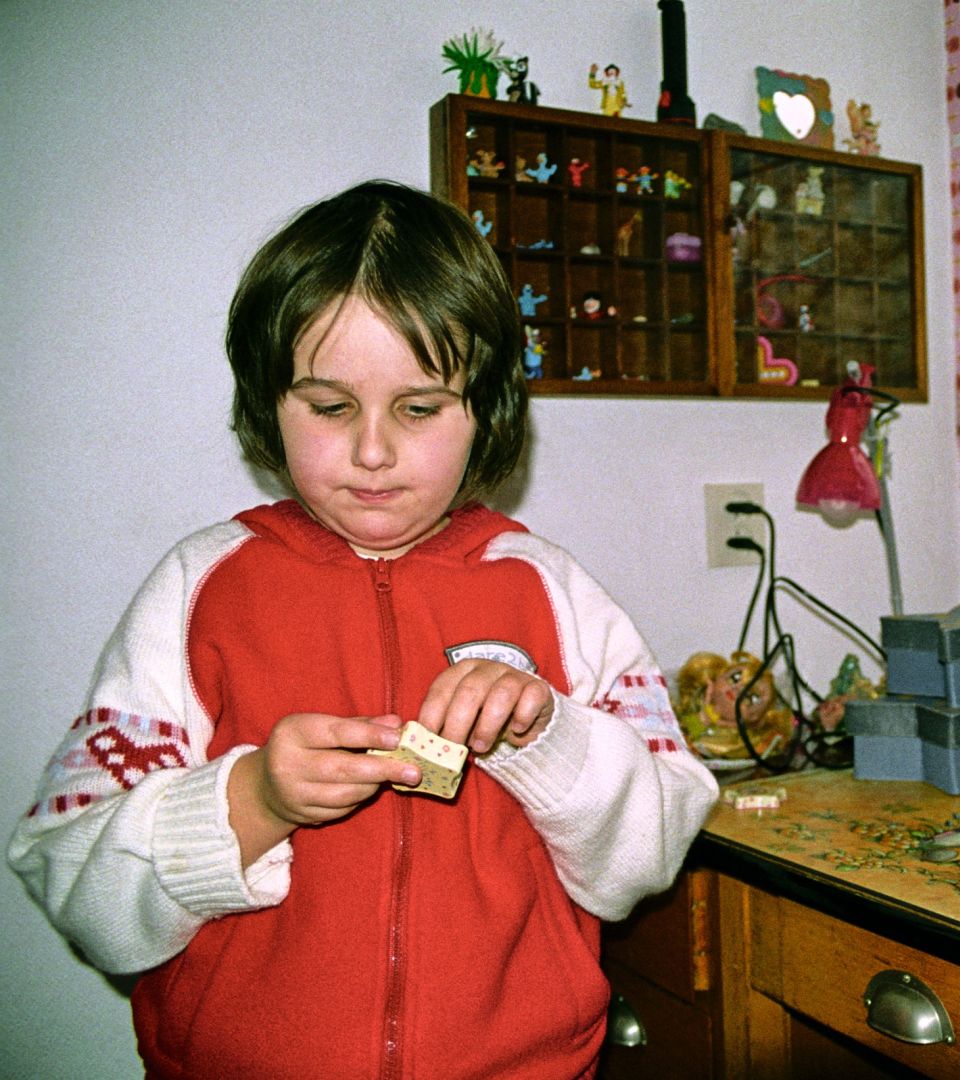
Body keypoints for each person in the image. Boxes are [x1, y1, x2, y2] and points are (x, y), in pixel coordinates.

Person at [7, 180, 719, 1079]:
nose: (373, 451)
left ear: (485, 408)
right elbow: (75, 882)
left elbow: (650, 855)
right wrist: (254, 800)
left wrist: (549, 736)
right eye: (330, 406)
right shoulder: (200, 589)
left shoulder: (554, 591)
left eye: (419, 409)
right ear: (271, 400)